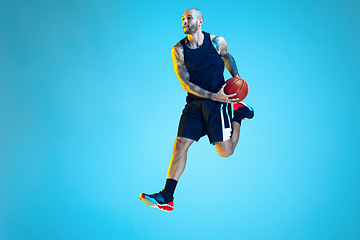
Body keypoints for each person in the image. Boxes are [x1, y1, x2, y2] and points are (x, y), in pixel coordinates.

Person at [139, 8, 254, 212]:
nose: (184, 21)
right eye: (183, 19)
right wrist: (212, 95)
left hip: (218, 104)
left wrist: (236, 79)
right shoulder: (179, 50)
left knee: (225, 152)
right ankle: (167, 196)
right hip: (194, 103)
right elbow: (185, 83)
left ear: (200, 22)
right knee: (180, 144)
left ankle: (239, 113)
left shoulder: (217, 42)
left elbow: (228, 57)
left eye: (189, 18)